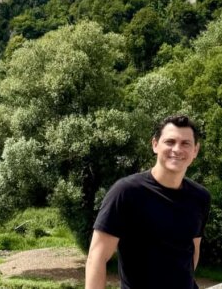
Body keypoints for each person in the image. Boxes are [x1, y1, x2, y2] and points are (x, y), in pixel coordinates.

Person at [85, 115, 210, 289]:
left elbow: (193, 249)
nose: (177, 149)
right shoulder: (126, 192)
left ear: (195, 150)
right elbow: (96, 257)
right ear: (155, 145)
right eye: (170, 141)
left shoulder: (200, 197)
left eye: (185, 143)